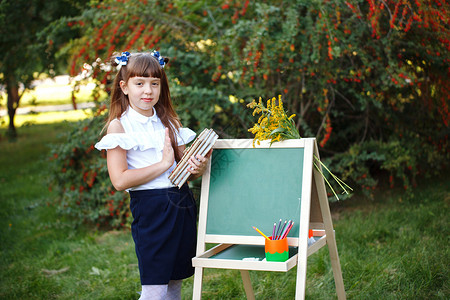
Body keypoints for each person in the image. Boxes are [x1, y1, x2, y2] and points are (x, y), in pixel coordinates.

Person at [95, 50, 211, 300]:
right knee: (155, 286)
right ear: (124, 87)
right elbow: (119, 180)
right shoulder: (120, 126)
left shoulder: (168, 122)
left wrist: (197, 169)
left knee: (175, 280)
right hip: (152, 209)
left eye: (154, 83)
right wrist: (163, 164)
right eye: (139, 83)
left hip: (182, 204)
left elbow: (184, 170)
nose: (147, 90)